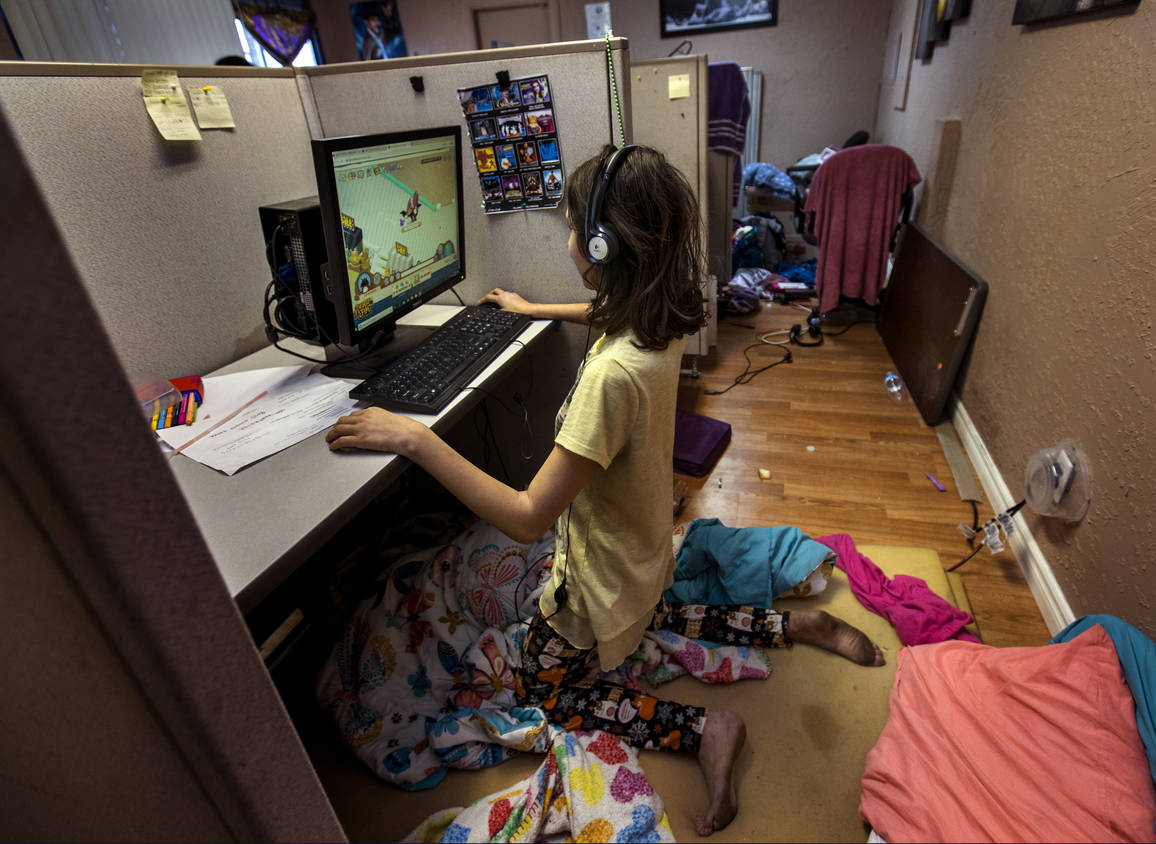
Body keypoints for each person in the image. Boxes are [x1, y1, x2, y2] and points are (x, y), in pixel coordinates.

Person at [325, 144, 885, 837]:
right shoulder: (665, 315)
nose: (567, 241)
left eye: (572, 228)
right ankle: (783, 625)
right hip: (644, 555)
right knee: (651, 621)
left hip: (592, 587)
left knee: (549, 691)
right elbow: (605, 309)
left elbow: (530, 518)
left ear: (601, 244)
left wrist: (414, 439)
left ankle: (704, 726)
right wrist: (535, 308)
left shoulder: (608, 381)